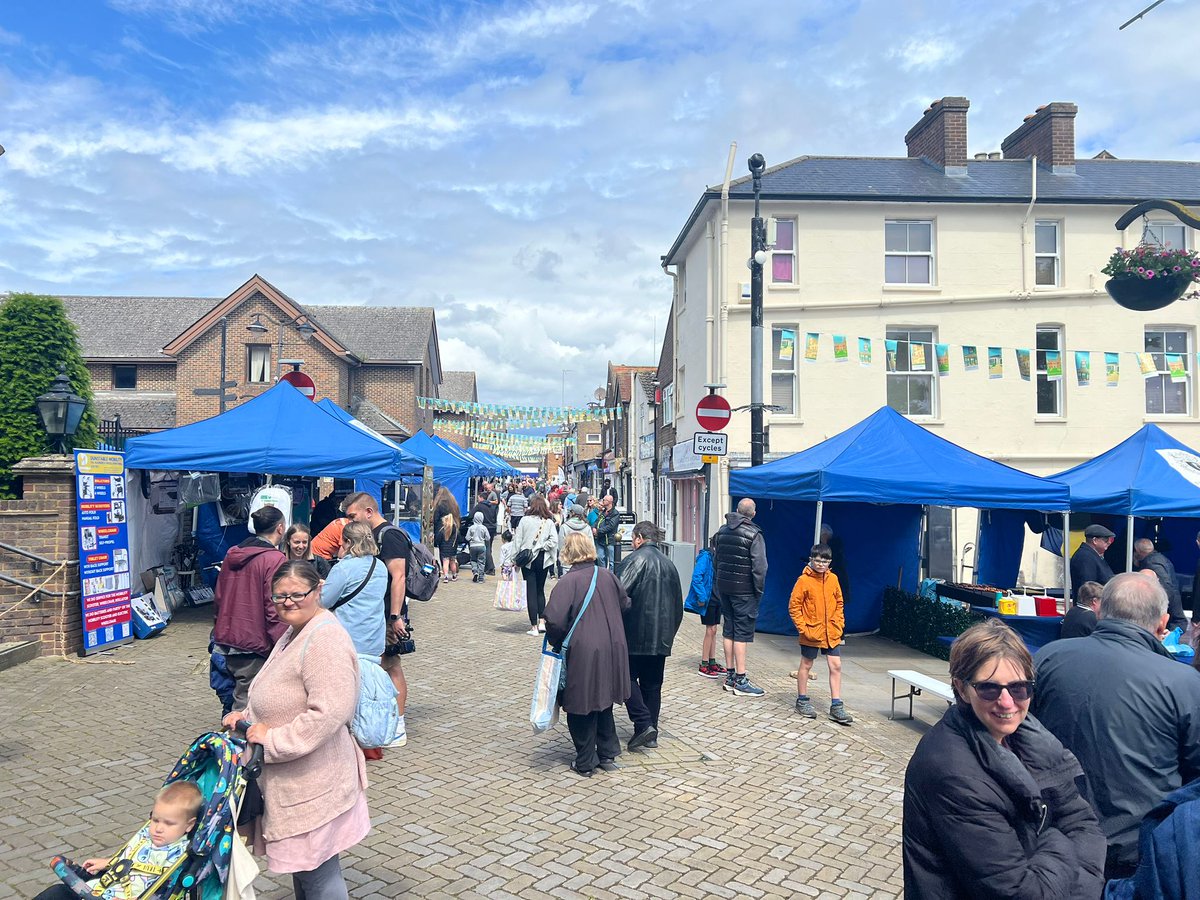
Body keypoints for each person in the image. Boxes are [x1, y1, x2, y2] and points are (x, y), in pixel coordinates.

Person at [903, 619, 1105, 898]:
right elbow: (1023, 893)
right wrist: (1054, 834)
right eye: (989, 689)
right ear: (962, 689)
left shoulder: (1030, 739)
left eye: (1019, 688)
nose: (1007, 702)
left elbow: (1085, 824)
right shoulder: (952, 773)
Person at [1032, 572, 1200, 878]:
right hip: (1136, 853)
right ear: (1163, 623)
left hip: (1053, 840)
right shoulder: (1184, 683)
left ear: (1099, 611)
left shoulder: (1047, 658)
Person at [222, 560, 369, 899]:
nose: (287, 602)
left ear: (318, 591)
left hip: (314, 783)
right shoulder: (295, 632)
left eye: (296, 594)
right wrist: (244, 715)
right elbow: (278, 689)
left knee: (318, 874)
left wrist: (272, 740)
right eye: (279, 597)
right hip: (295, 785)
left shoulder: (324, 639)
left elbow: (329, 712)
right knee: (306, 872)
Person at [544, 532, 631, 777]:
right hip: (612, 646)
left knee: (579, 703)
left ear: (569, 553)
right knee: (603, 700)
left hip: (583, 649)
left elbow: (554, 619)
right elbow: (625, 604)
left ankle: (585, 761)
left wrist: (556, 641)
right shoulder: (608, 576)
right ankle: (607, 753)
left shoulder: (568, 582)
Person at [32, 781, 205, 900]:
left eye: (169, 823)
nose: (159, 828)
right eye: (156, 820)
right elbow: (132, 860)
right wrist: (109, 863)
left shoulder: (180, 852)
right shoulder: (147, 837)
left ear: (189, 826)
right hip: (99, 890)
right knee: (56, 892)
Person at [343, 492, 409, 749]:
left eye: (353, 516)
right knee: (376, 668)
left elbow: (399, 577)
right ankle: (375, 723)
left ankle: (397, 726)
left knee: (390, 665)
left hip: (386, 616)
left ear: (368, 512)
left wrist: (395, 617)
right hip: (373, 615)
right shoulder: (374, 536)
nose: (349, 521)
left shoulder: (389, 536)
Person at [212, 506, 288, 709]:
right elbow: (274, 607)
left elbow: (219, 596)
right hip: (253, 643)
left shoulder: (232, 554)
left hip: (226, 638)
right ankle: (235, 740)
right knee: (247, 707)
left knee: (233, 701)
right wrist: (282, 644)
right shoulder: (275, 559)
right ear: (280, 528)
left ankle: (231, 737)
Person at [617, 522, 683, 751]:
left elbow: (619, 594)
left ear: (638, 538)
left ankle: (644, 724)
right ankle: (649, 732)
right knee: (653, 685)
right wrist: (670, 633)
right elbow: (678, 605)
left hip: (634, 634)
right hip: (661, 637)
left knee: (625, 677)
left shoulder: (634, 560)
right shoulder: (669, 565)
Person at [790, 543, 852, 725]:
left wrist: (839, 624)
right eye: (817, 560)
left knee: (836, 666)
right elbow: (794, 606)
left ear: (830, 562)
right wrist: (804, 628)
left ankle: (836, 705)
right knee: (806, 664)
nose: (821, 564)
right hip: (811, 631)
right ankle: (802, 699)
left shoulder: (833, 579)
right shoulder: (803, 581)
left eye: (825, 561)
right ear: (811, 560)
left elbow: (839, 602)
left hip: (831, 631)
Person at [711, 498, 767, 697]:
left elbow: (716, 561)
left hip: (724, 588)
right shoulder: (754, 534)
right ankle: (741, 679)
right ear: (753, 513)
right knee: (741, 633)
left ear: (737, 510)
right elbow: (760, 567)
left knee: (729, 630)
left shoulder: (722, 531)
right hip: (744, 591)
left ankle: (730, 675)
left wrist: (719, 585)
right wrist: (758, 591)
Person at [320, 521, 387, 659]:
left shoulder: (343, 568)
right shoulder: (380, 566)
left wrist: (323, 587)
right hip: (375, 639)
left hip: (350, 638)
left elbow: (323, 602)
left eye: (342, 542)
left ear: (349, 542)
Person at [514, 495, 559, 635]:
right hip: (543, 559)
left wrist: (514, 559)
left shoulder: (524, 520)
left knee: (531, 591)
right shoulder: (549, 522)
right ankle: (542, 622)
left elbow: (517, 541)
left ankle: (533, 626)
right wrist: (542, 546)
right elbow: (554, 541)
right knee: (540, 590)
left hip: (527, 560)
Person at [1133, 537, 1187, 631]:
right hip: (1172, 605)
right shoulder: (1161, 558)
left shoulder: (1152, 563)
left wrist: (1160, 604)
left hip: (1168, 609)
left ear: (1138, 551)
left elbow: (1166, 587)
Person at [1069, 524, 1115, 597]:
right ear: (1095, 540)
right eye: (1106, 540)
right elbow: (1088, 587)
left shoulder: (1092, 555)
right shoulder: (1085, 557)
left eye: (1110, 540)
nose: (1109, 542)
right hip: (1092, 604)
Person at [470, 489, 499, 576]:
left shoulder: (479, 506)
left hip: (484, 528)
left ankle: (490, 568)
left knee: (486, 547)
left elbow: (471, 515)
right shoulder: (492, 506)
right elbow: (494, 517)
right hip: (492, 528)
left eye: (478, 498)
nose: (478, 499)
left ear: (482, 498)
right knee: (488, 547)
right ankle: (487, 566)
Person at [594, 495, 620, 571]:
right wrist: (593, 528)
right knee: (600, 557)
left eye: (604, 500)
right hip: (600, 539)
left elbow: (611, 526)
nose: (602, 501)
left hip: (610, 539)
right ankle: (603, 574)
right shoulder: (603, 512)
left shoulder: (615, 513)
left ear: (609, 502)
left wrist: (598, 531)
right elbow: (597, 521)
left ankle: (611, 576)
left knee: (612, 561)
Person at [466, 512, 490, 583]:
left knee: (473, 560)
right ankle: (481, 578)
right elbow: (488, 538)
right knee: (481, 561)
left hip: (473, 546)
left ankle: (475, 571)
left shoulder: (471, 528)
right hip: (481, 546)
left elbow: (467, 538)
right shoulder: (484, 528)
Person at [436, 514, 459, 583]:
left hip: (444, 549)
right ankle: (454, 576)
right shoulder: (455, 530)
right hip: (453, 548)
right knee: (452, 562)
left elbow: (438, 540)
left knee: (445, 562)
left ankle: (446, 576)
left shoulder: (442, 530)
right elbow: (459, 539)